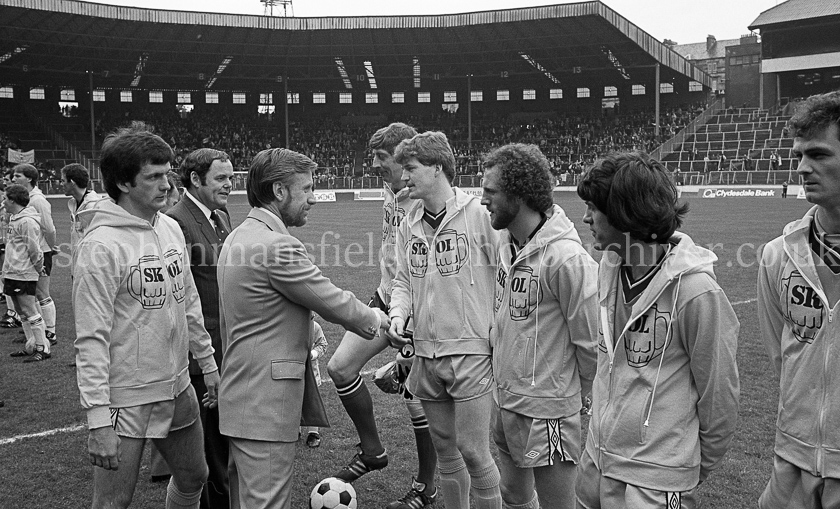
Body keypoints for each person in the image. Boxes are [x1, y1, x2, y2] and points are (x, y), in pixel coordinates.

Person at [217, 147, 389, 509]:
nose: (313, 198)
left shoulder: (238, 235)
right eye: (307, 189)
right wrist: (379, 320)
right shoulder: (276, 246)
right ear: (280, 191)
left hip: (241, 398)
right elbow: (333, 302)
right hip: (265, 404)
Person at [575, 151, 740, 508]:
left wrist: (675, 469)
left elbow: (720, 397)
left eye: (593, 207)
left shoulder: (697, 292)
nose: (585, 218)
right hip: (597, 464)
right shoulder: (608, 269)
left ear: (624, 212)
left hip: (653, 482)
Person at [73, 127, 220, 509]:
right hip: (128, 395)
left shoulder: (169, 227)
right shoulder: (100, 246)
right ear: (122, 182)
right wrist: (97, 419)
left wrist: (207, 364)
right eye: (153, 177)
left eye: (168, 173)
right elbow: (90, 338)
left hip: (178, 384)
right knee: (112, 503)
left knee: (194, 476)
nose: (166, 184)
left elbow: (187, 300)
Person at [386, 131, 503, 509]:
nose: (404, 177)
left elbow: (508, 272)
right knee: (446, 451)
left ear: (438, 168)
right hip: (424, 352)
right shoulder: (410, 222)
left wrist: (493, 329)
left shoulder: (480, 216)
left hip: (470, 352)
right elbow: (403, 281)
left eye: (411, 168)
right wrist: (398, 313)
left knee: (473, 451)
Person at [326, 122, 439, 509]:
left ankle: (427, 487)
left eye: (381, 158)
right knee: (340, 367)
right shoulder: (389, 192)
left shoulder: (424, 198)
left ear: (403, 158)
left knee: (416, 397)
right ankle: (373, 450)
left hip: (417, 311)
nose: (373, 164)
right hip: (385, 295)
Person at [480, 143, 598, 509]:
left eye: (491, 192)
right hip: (505, 398)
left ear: (520, 194)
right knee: (513, 495)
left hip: (548, 409)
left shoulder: (566, 259)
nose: (483, 201)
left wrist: (579, 401)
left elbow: (591, 341)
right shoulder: (506, 244)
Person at [757, 90, 840, 509]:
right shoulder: (777, 255)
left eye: (819, 155)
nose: (802, 168)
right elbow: (782, 355)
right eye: (800, 155)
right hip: (791, 464)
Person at [166, 147, 234, 509]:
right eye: (221, 178)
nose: (229, 185)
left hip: (227, 344)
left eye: (231, 177)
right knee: (208, 450)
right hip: (199, 353)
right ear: (195, 179)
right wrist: (201, 357)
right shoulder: (176, 221)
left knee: (224, 440)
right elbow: (181, 299)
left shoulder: (221, 216)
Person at [12, 164, 57, 346]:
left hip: (41, 250)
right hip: (30, 252)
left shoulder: (37, 200)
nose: (14, 179)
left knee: (41, 292)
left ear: (29, 178)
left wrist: (51, 247)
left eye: (17, 175)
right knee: (31, 293)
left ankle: (50, 332)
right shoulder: (26, 198)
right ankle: (36, 332)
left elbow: (49, 227)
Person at [4, 184, 49, 363]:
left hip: (23, 273)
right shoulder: (15, 218)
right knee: (21, 312)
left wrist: (39, 268)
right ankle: (31, 345)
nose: (3, 202)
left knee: (30, 310)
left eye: (5, 198)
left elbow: (34, 249)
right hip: (12, 273)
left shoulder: (27, 221)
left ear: (13, 200)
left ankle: (43, 347)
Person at [61, 163, 102, 259]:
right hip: (78, 263)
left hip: (90, 264)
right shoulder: (74, 204)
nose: (61, 184)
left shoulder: (92, 207)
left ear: (72, 182)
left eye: (63, 181)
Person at [302, 318, 328, 448]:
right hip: (292, 373)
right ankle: (295, 430)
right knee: (293, 401)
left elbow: (323, 344)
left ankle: (313, 432)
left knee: (312, 401)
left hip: (311, 374)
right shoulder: (287, 326)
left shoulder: (314, 327)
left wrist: (313, 353)